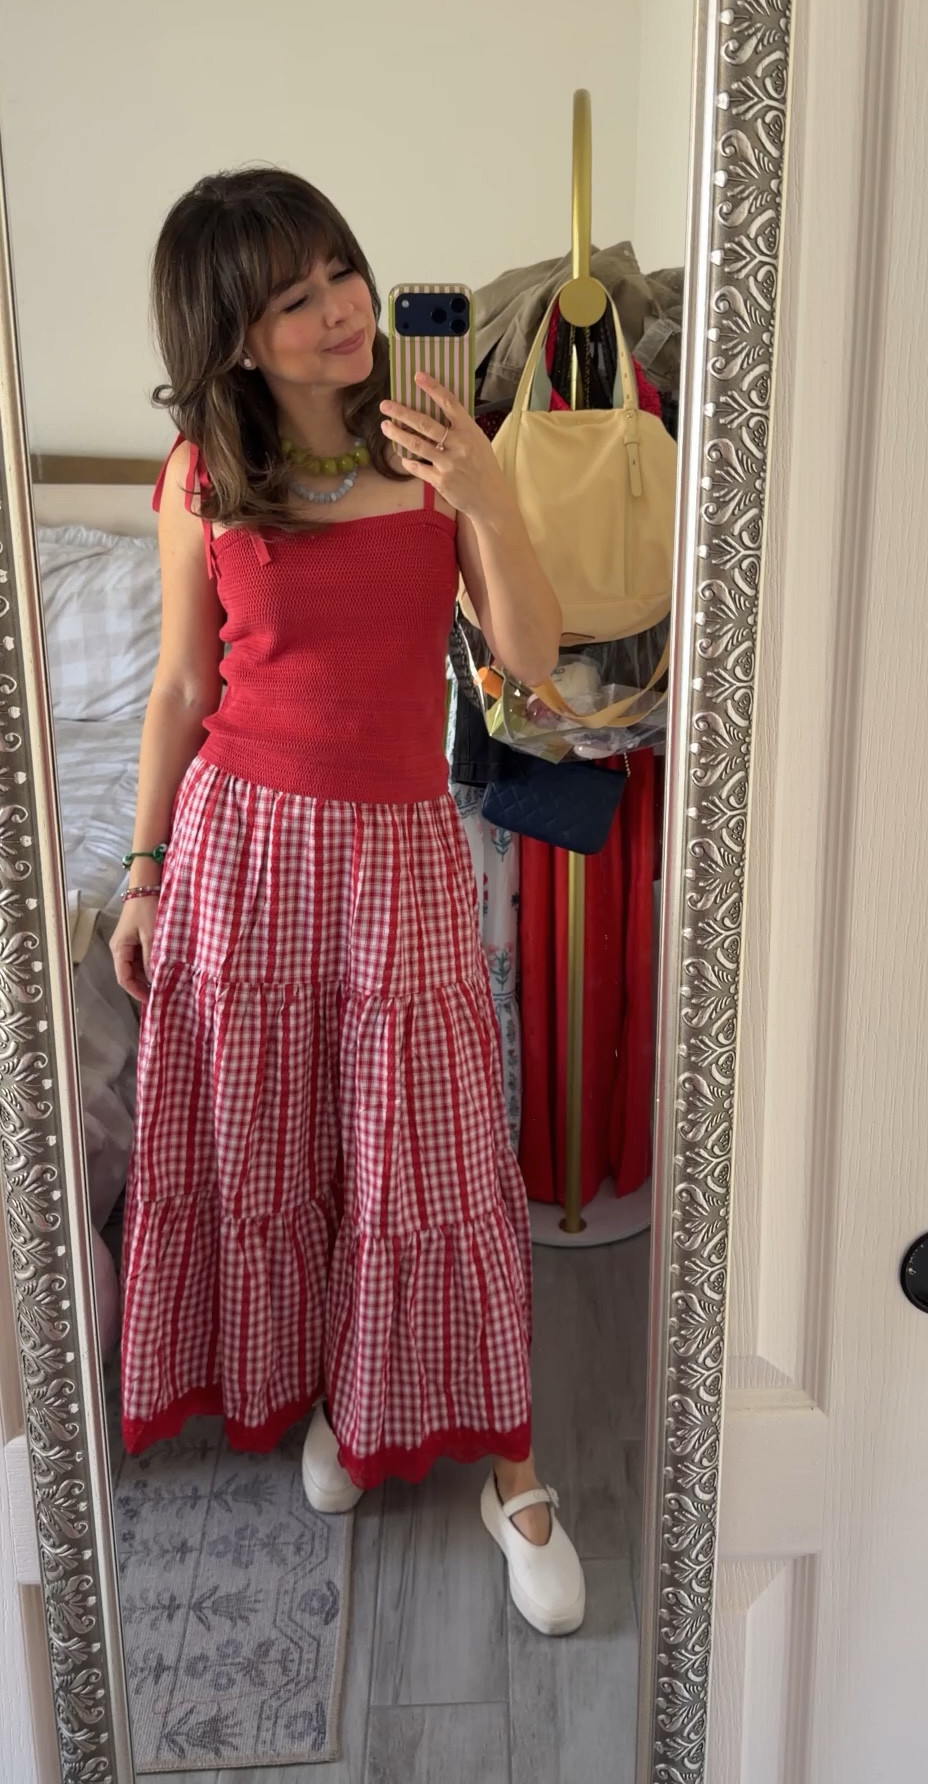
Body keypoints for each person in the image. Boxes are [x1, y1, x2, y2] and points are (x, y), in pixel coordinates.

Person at [110, 166, 585, 1637]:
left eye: (341, 273)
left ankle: (514, 1470)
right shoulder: (203, 472)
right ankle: (345, 1398)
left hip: (396, 853)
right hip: (240, 850)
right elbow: (186, 684)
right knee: (281, 1144)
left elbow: (538, 661)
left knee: (431, 1160)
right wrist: (140, 871)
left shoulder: (439, 447)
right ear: (235, 338)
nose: (342, 312)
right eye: (295, 299)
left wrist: (488, 490)